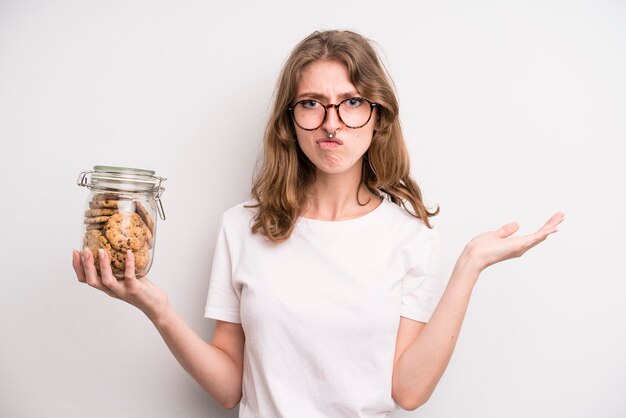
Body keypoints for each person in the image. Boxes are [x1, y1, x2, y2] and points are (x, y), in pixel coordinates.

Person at [72, 30, 564, 417]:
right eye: (311, 103)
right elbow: (228, 389)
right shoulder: (241, 228)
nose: (331, 123)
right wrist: (156, 308)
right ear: (290, 121)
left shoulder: (410, 239)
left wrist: (470, 265)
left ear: (378, 119)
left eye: (350, 103)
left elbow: (408, 392)